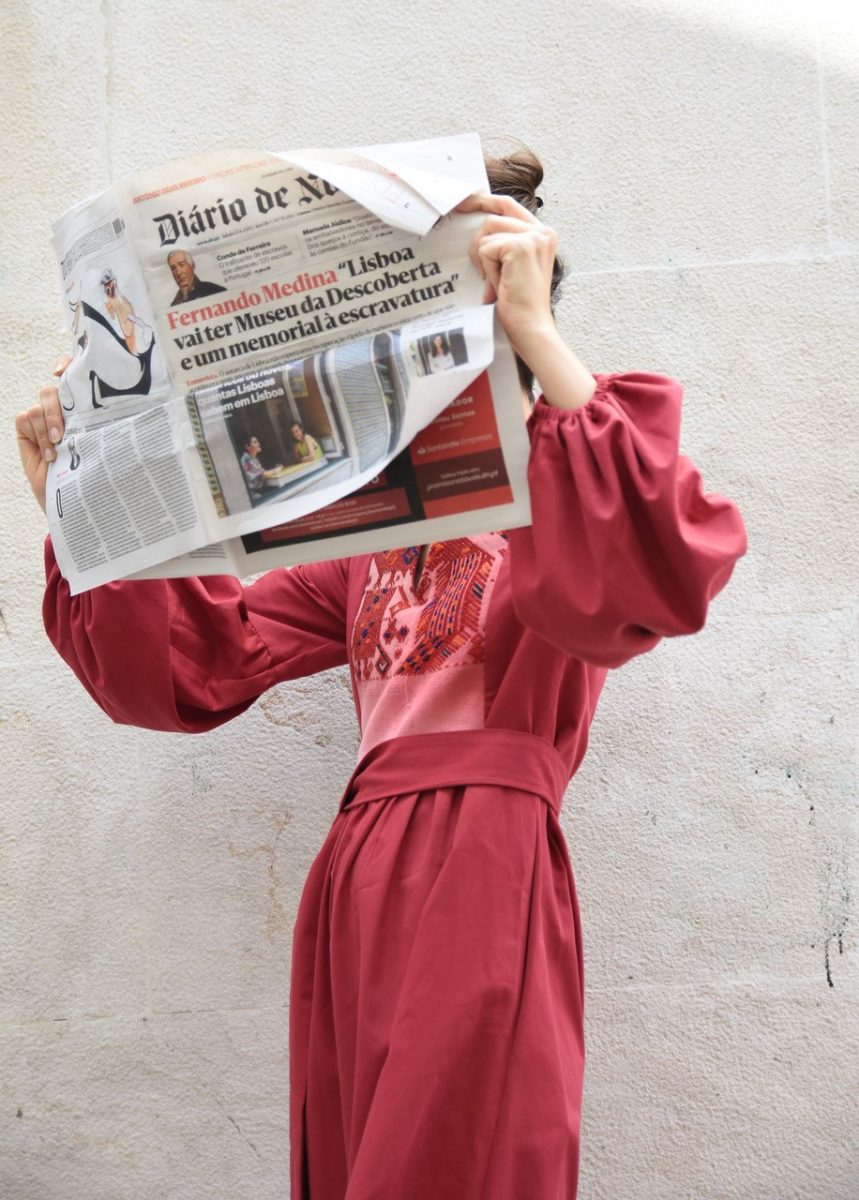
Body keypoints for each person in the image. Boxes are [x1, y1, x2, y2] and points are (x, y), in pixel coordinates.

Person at [15, 148, 748, 1200]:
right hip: (358, 872)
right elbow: (195, 664)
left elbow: (660, 567)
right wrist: (83, 502)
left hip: (483, 857)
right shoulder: (372, 542)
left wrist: (536, 330)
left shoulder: (563, 483)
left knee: (452, 1155)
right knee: (363, 1159)